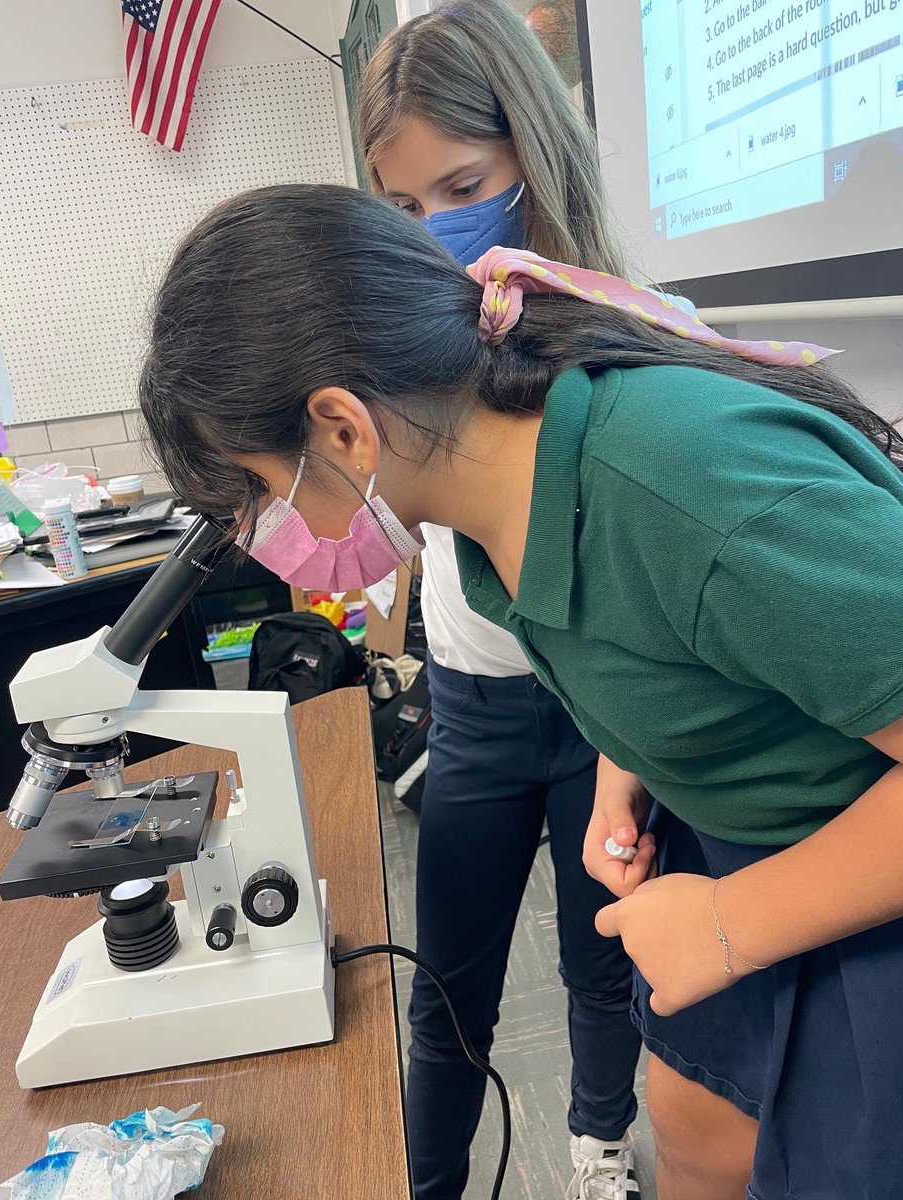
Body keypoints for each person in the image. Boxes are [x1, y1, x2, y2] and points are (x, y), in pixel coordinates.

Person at [138, 183, 903, 1200]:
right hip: (735, 849)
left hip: (866, 884)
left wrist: (733, 923)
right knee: (694, 1132)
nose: (257, 538)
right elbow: (667, 634)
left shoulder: (690, 485)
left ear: (342, 429)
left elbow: (687, 565)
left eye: (251, 493)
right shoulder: (489, 511)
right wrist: (627, 769)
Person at [355, 4, 653, 1197]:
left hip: (599, 712)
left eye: (464, 187)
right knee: (447, 991)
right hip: (474, 708)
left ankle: (599, 1147)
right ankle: (429, 1181)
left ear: (535, 150)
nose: (438, 227)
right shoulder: (407, 333)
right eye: (405, 205)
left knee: (601, 961)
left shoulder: (619, 335)